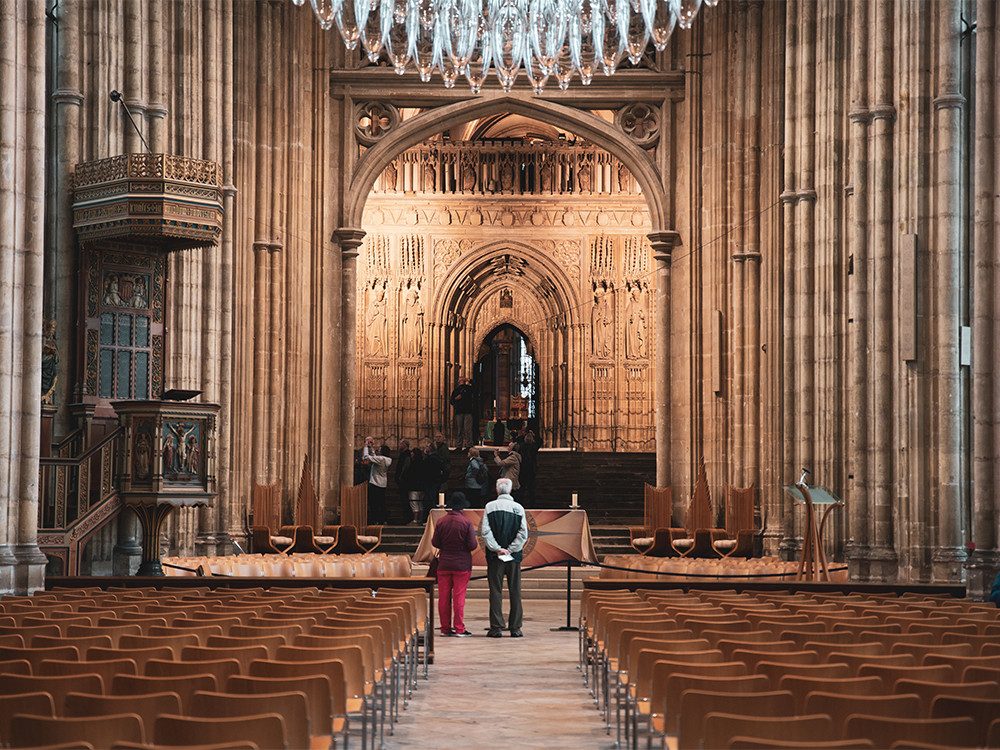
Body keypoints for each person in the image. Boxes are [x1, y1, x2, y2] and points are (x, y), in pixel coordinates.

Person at [481, 477, 528, 637]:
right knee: (515, 590)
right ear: (510, 490)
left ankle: (496, 627)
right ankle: (515, 627)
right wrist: (510, 549)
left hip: (495, 557)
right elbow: (523, 533)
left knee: (495, 591)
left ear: (497, 490)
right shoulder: (518, 508)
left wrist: (497, 549)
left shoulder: (489, 507)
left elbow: (485, 532)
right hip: (514, 557)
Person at [431, 491, 479, 637]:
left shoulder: (441, 522)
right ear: (462, 508)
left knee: (444, 597)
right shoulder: (466, 523)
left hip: (444, 564)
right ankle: (459, 628)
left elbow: (435, 542)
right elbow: (472, 545)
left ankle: (445, 628)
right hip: (461, 565)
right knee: (459, 597)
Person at [364, 440, 392, 525]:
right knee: (381, 503)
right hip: (383, 483)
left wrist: (365, 447)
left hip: (375, 483)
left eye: (379, 450)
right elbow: (375, 456)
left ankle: (376, 520)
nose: (378, 451)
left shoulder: (381, 459)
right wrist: (371, 448)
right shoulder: (387, 459)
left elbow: (367, 457)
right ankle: (383, 520)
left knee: (374, 503)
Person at [421, 439, 446, 522]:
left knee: (430, 500)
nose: (425, 448)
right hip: (433, 481)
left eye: (427, 446)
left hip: (431, 482)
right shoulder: (435, 458)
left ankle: (430, 519)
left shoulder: (432, 459)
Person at [450, 376, 475, 451]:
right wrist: (456, 399)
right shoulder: (456, 390)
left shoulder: (469, 388)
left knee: (468, 429)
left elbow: (475, 386)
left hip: (468, 411)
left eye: (462, 378)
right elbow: (451, 401)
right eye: (460, 378)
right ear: (458, 381)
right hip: (459, 411)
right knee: (459, 430)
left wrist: (469, 380)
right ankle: (459, 446)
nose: (461, 378)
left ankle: (469, 445)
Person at [516, 429, 540, 507]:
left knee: (521, 490)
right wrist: (534, 435)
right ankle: (533, 505)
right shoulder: (534, 447)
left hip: (522, 470)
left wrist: (521, 436)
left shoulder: (521, 446)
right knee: (531, 490)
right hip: (531, 471)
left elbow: (517, 443)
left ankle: (520, 505)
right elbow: (540, 442)